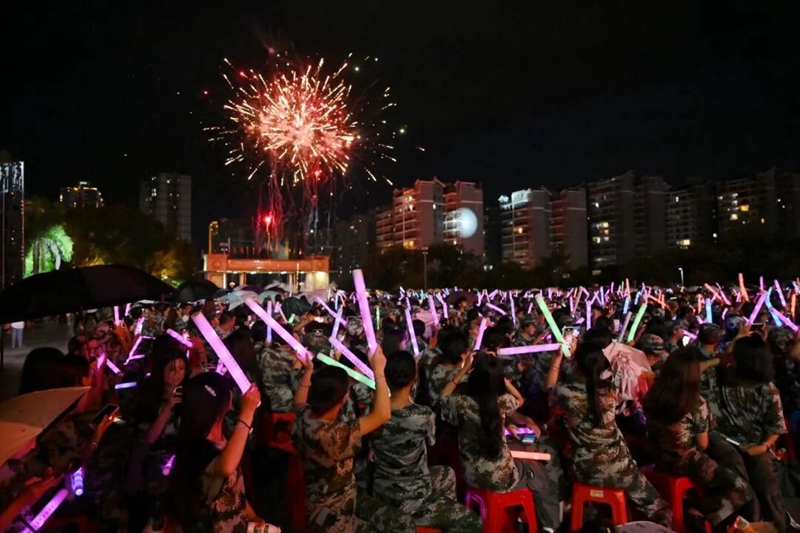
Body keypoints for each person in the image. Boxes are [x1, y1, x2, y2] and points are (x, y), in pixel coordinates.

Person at [292, 348, 415, 532]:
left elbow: (298, 403)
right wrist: (379, 372)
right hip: (332, 515)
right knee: (403, 526)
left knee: (402, 521)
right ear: (343, 400)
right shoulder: (335, 435)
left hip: (335, 499)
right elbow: (382, 414)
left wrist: (308, 370)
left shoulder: (306, 416)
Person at [440, 353, 562, 533]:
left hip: (470, 475)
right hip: (501, 479)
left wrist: (463, 371)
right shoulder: (503, 401)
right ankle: (550, 526)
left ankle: (525, 517)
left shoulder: (461, 403)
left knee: (524, 457)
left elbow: (443, 396)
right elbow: (520, 399)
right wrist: (503, 380)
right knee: (537, 470)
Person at [553, 343, 672, 527]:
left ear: (576, 365)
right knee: (660, 510)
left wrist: (557, 359)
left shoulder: (565, 393)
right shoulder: (610, 392)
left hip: (584, 471)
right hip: (618, 469)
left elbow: (549, 386)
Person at [644, 348, 754, 532]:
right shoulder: (696, 402)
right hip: (685, 462)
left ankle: (691, 508)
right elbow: (703, 444)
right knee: (742, 489)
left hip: (658, 459)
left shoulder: (653, 396)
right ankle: (698, 514)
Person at [371, 351, 482, 532]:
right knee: (473, 522)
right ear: (413, 380)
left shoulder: (374, 412)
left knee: (447, 473)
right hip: (411, 498)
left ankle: (439, 519)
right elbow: (431, 442)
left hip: (382, 490)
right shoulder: (423, 415)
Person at [172, 372, 265, 533]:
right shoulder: (195, 446)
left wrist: (251, 516)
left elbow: (233, 487)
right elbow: (226, 467)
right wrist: (247, 412)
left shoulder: (225, 436)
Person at [717, 335, 788, 533]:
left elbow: (776, 427)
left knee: (763, 475)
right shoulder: (723, 379)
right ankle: (748, 522)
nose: (731, 357)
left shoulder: (768, 390)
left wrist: (763, 447)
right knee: (736, 475)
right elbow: (713, 361)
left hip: (756, 445)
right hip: (726, 443)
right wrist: (737, 337)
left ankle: (776, 524)